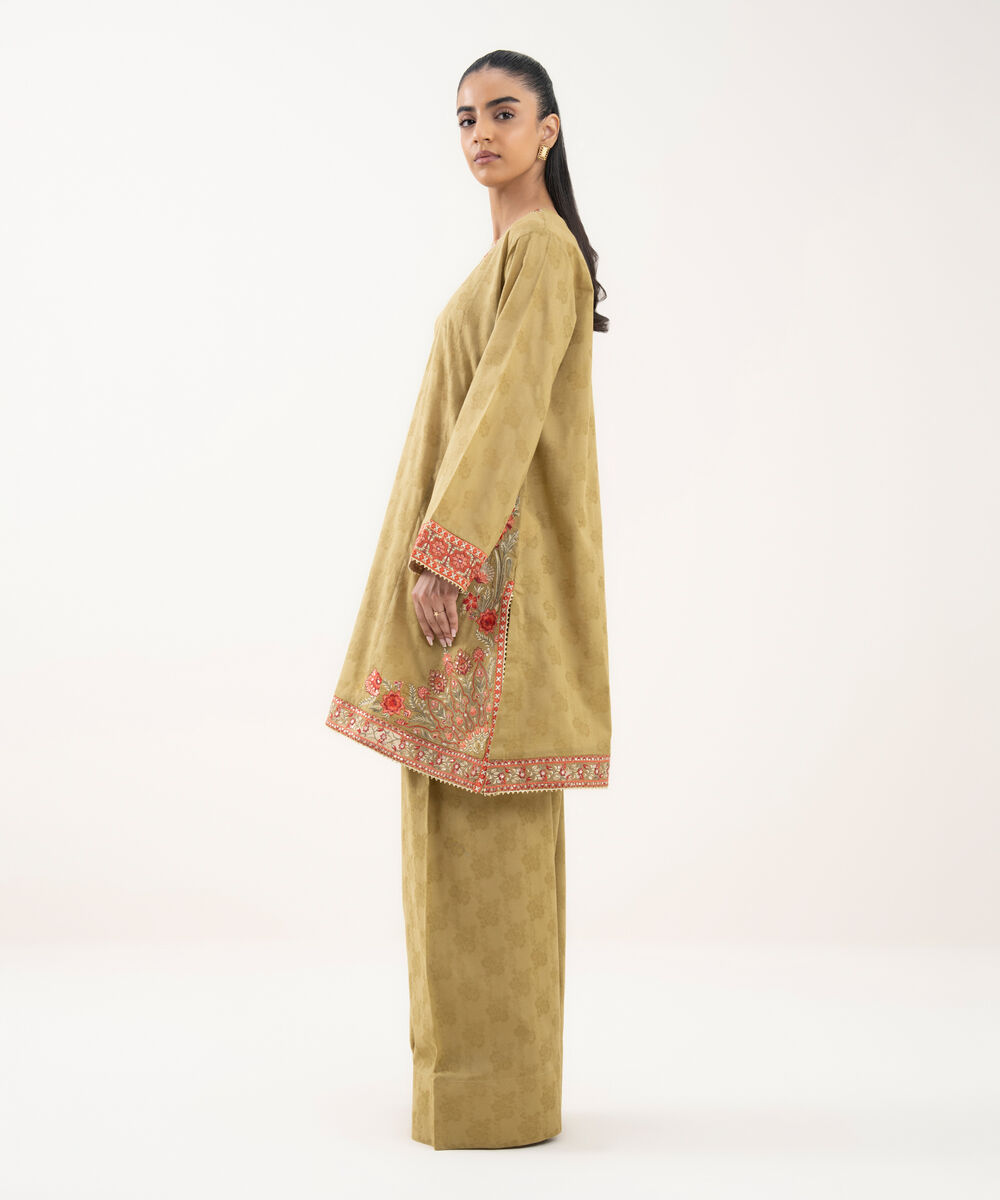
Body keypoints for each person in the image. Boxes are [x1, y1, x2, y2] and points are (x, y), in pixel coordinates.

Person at [324, 49, 612, 1149]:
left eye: (502, 112)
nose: (480, 132)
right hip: (474, 586)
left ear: (548, 130)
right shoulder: (512, 256)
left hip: (490, 595)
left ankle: (496, 1102)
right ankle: (478, 1094)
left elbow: (503, 407)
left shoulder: (541, 250)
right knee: (449, 851)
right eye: (464, 118)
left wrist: (445, 555)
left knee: (484, 852)